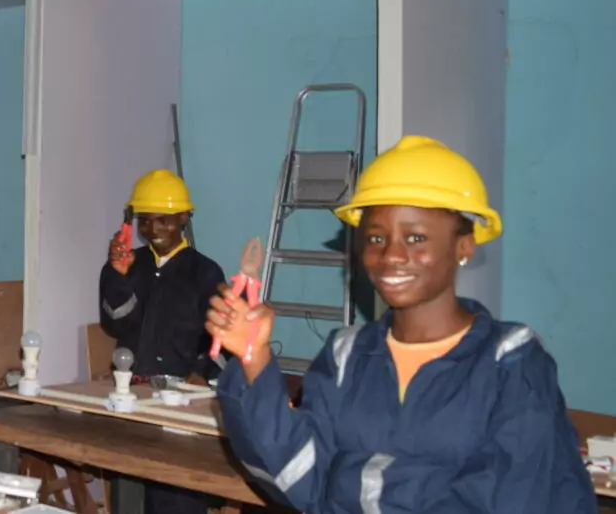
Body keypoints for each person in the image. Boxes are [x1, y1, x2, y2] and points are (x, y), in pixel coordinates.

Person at [208, 136, 596, 513]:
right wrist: (254, 357)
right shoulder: (347, 356)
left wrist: (353, 481)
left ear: (464, 246)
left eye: (415, 237)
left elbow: (519, 493)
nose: (392, 255)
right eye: (376, 238)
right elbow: (300, 476)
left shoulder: (509, 362)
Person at [98, 168, 226, 514]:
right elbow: (114, 322)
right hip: (134, 397)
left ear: (184, 218)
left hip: (181, 402)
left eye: (164, 220)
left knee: (176, 495)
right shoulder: (129, 264)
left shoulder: (204, 272)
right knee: (132, 493)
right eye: (145, 221)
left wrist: (202, 372)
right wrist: (118, 276)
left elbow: (221, 339)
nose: (153, 229)